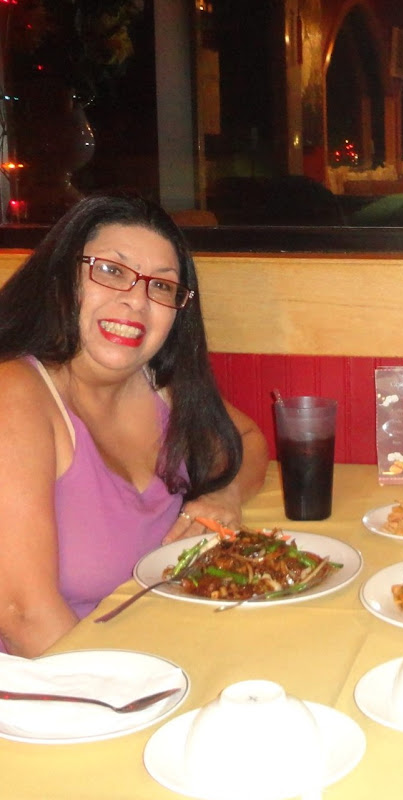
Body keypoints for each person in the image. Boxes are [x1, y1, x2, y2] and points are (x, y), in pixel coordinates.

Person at [0, 192, 268, 658]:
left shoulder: (158, 384)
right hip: (59, 679)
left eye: (161, 286)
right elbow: (23, 616)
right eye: (111, 270)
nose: (136, 301)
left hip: (162, 647)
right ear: (61, 278)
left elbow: (247, 440)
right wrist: (138, 687)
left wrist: (224, 495)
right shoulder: (16, 394)